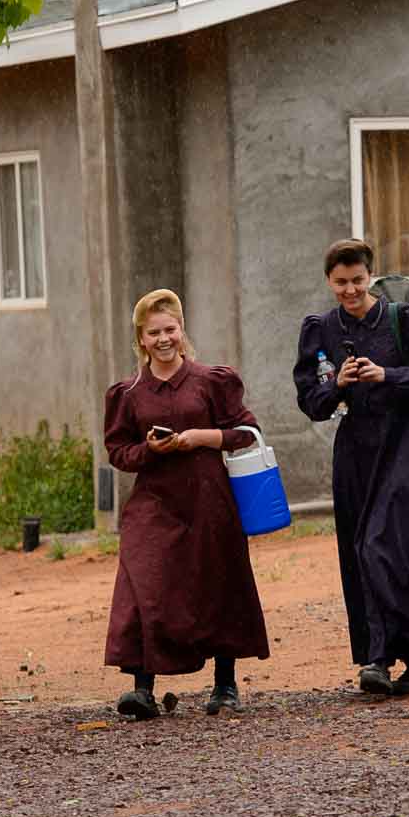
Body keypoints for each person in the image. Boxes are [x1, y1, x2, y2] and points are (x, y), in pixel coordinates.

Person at [294, 239, 409, 696]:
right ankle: (399, 663)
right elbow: (310, 400)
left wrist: (388, 375)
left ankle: (391, 654)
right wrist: (338, 387)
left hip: (404, 444)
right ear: (329, 281)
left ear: (371, 277)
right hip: (354, 451)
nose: (349, 290)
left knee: (380, 545)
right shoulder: (319, 329)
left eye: (358, 281)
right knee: (359, 552)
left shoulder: (406, 319)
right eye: (340, 282)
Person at [103, 288, 270, 718]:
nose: (163, 339)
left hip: (209, 499)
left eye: (170, 329)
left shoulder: (212, 380)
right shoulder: (128, 393)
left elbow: (246, 432)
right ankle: (142, 688)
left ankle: (225, 685)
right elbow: (118, 451)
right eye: (153, 332)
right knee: (144, 581)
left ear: (182, 330)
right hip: (155, 501)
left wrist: (204, 437)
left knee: (217, 582)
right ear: (141, 338)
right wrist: (148, 450)